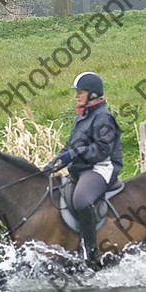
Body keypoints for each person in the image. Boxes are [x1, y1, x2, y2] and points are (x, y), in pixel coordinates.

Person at [44, 72, 123, 266]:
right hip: (82, 169)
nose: (77, 96)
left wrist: (74, 154)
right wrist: (56, 162)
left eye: (81, 92)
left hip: (100, 167)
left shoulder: (103, 117)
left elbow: (102, 151)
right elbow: (70, 146)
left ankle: (91, 253)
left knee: (81, 199)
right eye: (77, 92)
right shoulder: (81, 118)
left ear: (93, 94)